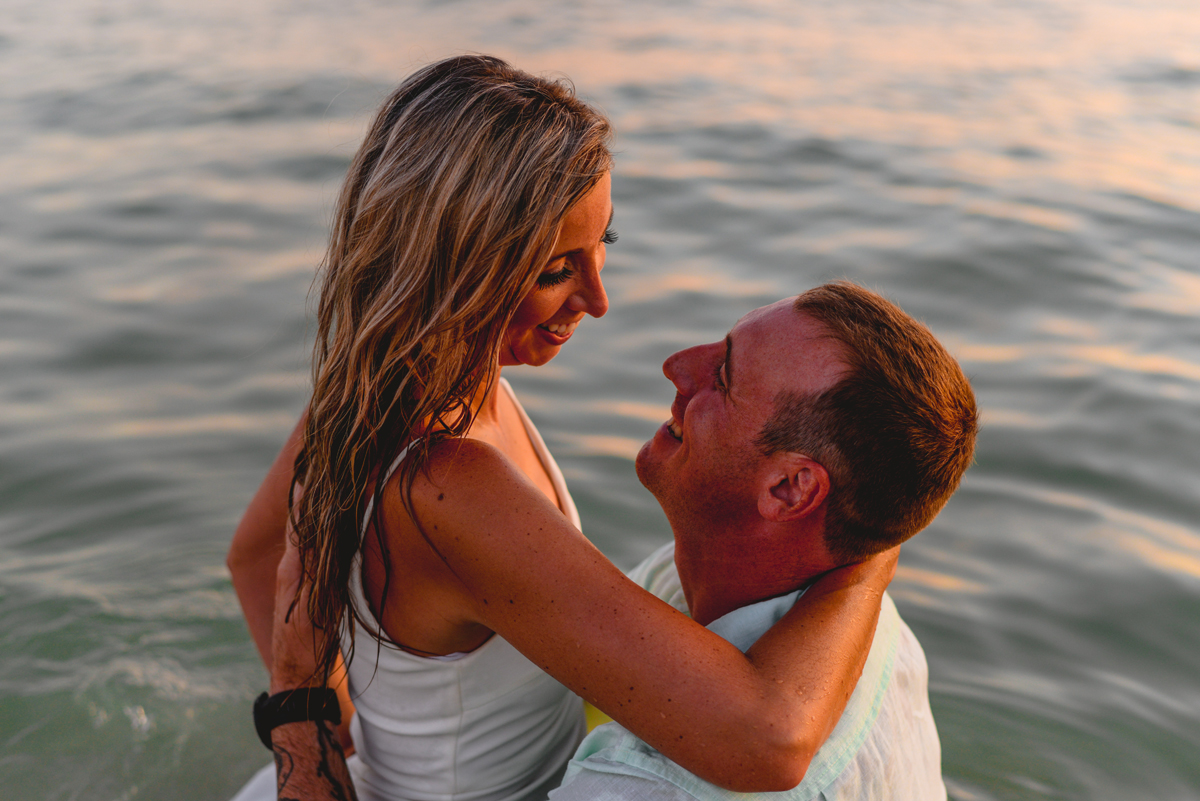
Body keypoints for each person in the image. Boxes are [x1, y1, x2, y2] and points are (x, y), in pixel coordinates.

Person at [228, 56, 901, 801]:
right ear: (458, 268)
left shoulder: (368, 391)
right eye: (556, 270)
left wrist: (350, 722)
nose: (598, 297)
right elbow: (767, 744)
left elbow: (255, 556)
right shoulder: (450, 485)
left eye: (603, 242)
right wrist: (870, 547)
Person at [261, 282, 978, 801]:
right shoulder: (875, 629)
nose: (677, 364)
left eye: (722, 377)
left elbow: (769, 740)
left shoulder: (639, 790)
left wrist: (298, 698)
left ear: (791, 490)